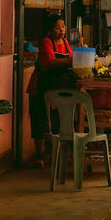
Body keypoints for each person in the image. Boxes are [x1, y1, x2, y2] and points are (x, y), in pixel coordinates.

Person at [25, 15, 74, 168]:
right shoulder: (46, 42)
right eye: (57, 27)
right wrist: (74, 60)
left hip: (58, 86)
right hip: (41, 85)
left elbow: (71, 60)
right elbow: (51, 62)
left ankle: (57, 152)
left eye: (63, 26)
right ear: (49, 30)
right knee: (40, 119)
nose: (62, 30)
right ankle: (39, 156)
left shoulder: (65, 43)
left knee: (57, 119)